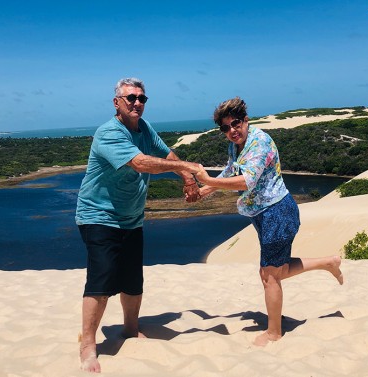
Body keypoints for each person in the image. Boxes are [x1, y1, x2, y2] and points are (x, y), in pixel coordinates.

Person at [195, 97, 344, 346]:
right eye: (225, 128)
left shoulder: (259, 142)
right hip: (261, 214)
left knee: (269, 275)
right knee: (279, 269)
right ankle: (329, 262)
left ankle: (274, 332)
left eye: (236, 123)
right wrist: (202, 191)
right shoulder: (236, 145)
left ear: (246, 120)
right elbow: (232, 171)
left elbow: (246, 181)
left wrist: (207, 180)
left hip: (278, 213)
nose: (232, 130)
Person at [75, 77, 201, 373]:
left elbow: (164, 153)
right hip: (98, 215)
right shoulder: (108, 133)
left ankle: (130, 328)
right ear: (117, 102)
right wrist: (187, 168)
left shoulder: (144, 128)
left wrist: (185, 178)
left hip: (131, 218)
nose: (137, 103)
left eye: (142, 98)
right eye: (131, 98)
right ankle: (88, 345)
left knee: (132, 279)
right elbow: (142, 163)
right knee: (102, 279)